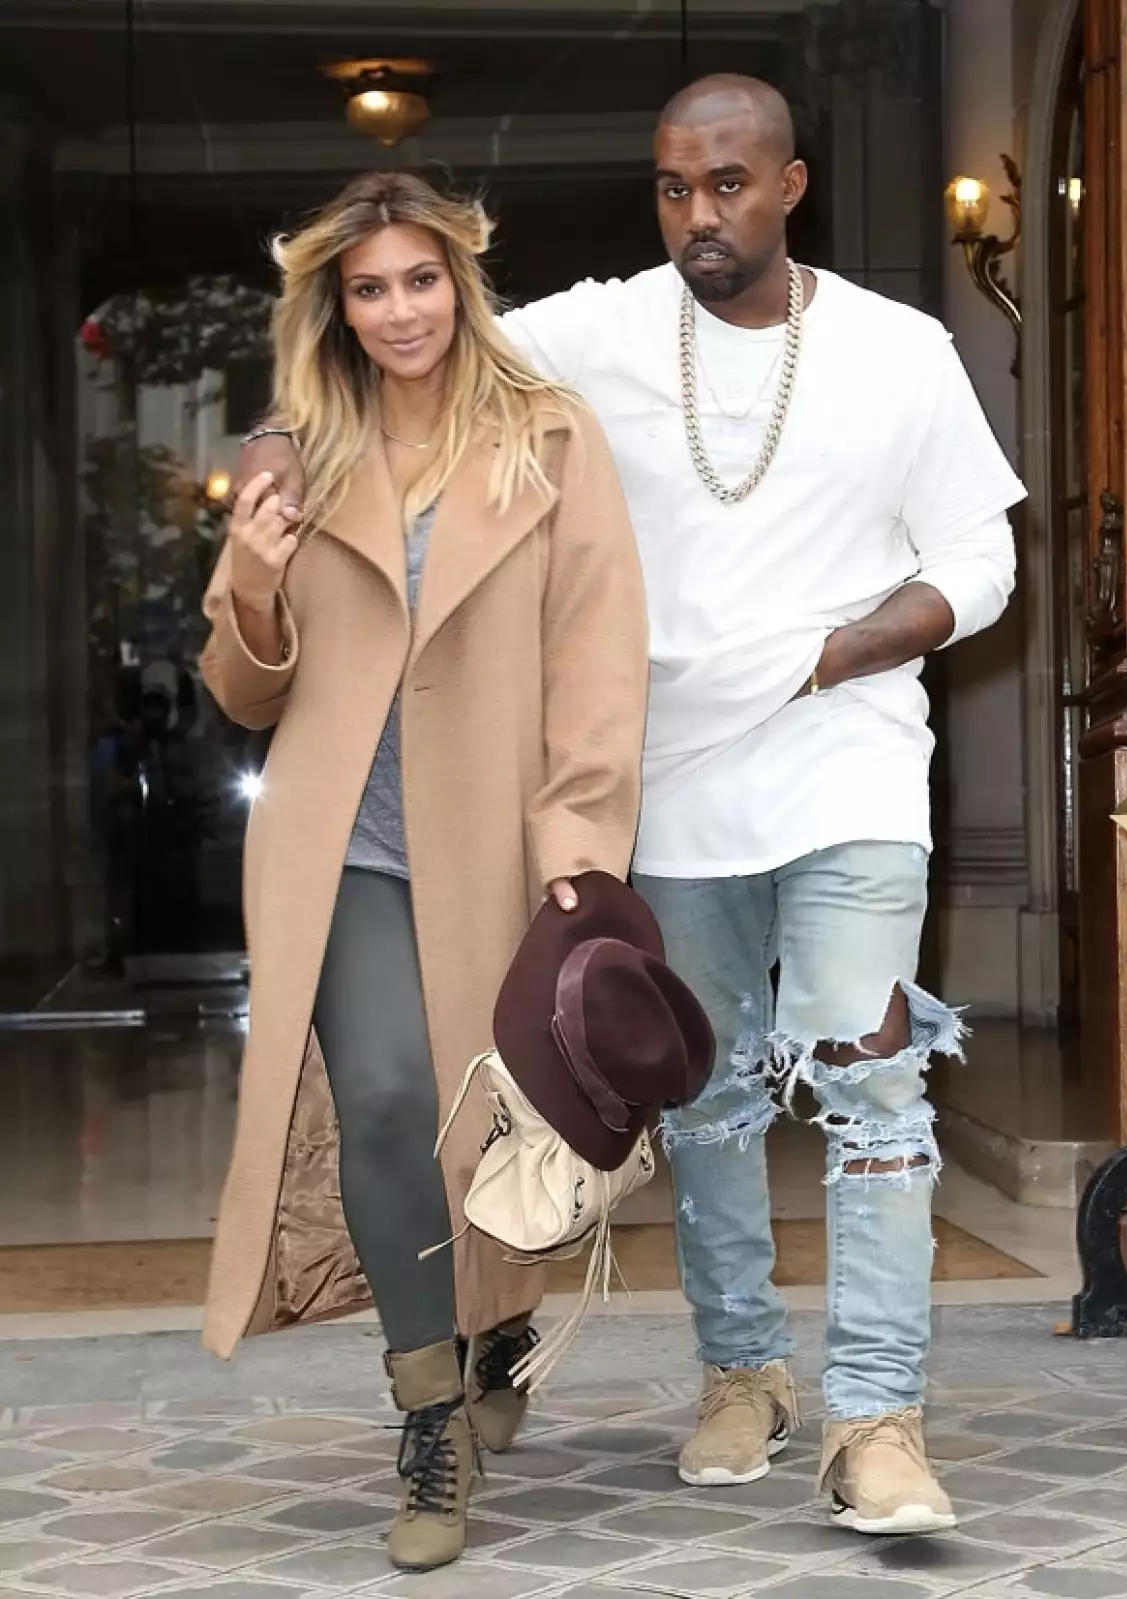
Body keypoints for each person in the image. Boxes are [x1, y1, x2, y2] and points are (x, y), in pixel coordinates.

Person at [235, 75, 1024, 1537]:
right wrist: (281, 436)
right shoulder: (599, 327)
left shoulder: (901, 350)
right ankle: (742, 1375)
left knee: (871, 1082)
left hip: (848, 761)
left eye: (726, 185)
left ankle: (877, 1417)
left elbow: (982, 563)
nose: (697, 214)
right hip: (672, 791)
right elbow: (409, 340)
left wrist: (838, 653)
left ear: (791, 186)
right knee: (707, 1099)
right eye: (672, 187)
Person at [201, 170, 647, 1572]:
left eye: (422, 279)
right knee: (393, 1095)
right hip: (347, 843)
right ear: (334, 306)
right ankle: (428, 1411)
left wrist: (578, 848)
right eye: (369, 287)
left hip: (506, 836)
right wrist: (254, 575)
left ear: (464, 282)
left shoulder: (549, 436)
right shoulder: (297, 453)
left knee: (494, 1124)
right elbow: (242, 689)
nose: (400, 311)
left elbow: (597, 653)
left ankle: (501, 1316)